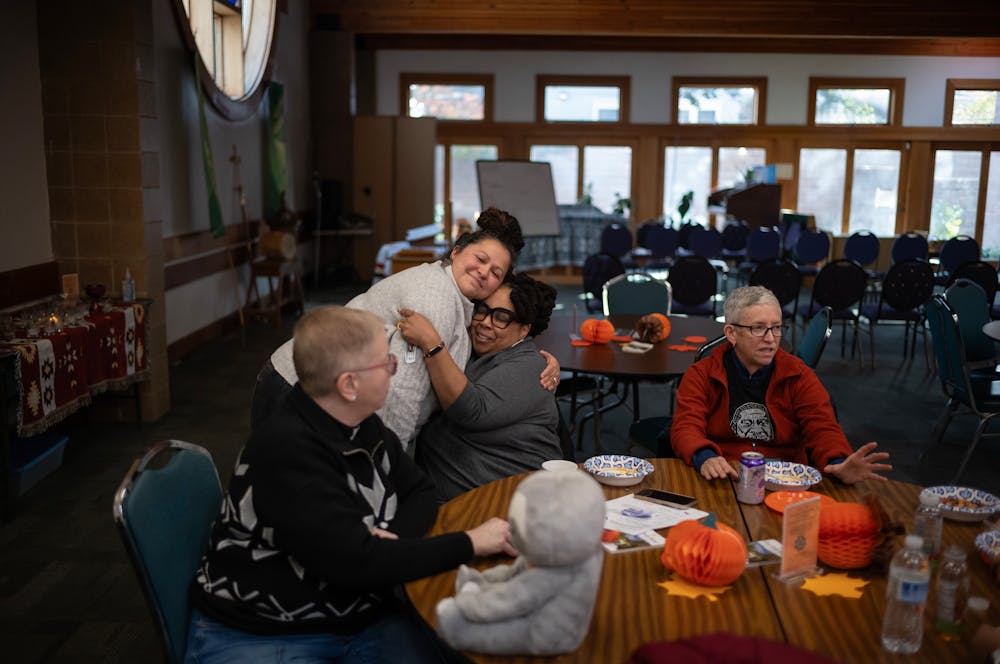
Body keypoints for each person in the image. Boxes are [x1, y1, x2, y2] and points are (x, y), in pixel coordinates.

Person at [186, 307, 517, 663]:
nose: (394, 368)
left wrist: (388, 544)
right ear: (348, 384)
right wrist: (471, 542)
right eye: (385, 363)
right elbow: (357, 565)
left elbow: (419, 491)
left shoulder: (357, 421)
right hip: (265, 630)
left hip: (355, 609)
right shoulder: (287, 451)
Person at [254, 207, 560, 449]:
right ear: (456, 250)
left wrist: (538, 362)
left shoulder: (464, 301)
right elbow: (402, 395)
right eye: (480, 259)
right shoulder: (435, 296)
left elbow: (471, 354)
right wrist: (388, 470)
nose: (483, 272)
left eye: (496, 272)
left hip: (333, 398)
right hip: (300, 384)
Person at [670, 285, 891, 484]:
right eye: (758, 328)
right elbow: (685, 427)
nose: (770, 339)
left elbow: (823, 428)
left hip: (785, 479)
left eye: (776, 327)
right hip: (725, 475)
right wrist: (705, 457)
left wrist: (839, 461)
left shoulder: (798, 375)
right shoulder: (702, 374)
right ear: (731, 333)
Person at [396, 272, 562, 502]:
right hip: (461, 500)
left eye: (501, 317)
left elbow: (471, 410)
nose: (485, 322)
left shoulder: (532, 366)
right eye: (482, 310)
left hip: (511, 503)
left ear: (524, 330)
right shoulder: (468, 346)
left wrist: (431, 343)